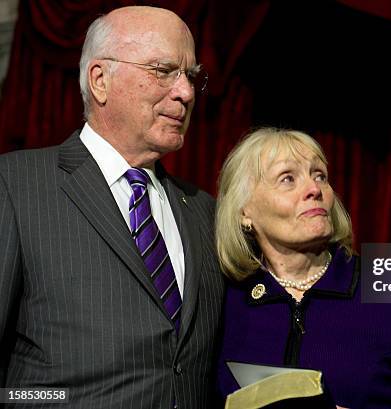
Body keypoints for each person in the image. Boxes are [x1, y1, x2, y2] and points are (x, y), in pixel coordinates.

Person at [0, 6, 224, 408]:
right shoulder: (15, 185)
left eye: (191, 76)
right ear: (100, 81)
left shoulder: (203, 211)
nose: (186, 92)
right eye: (163, 70)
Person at [214, 127, 391, 408]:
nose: (314, 190)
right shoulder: (226, 297)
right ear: (245, 211)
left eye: (320, 176)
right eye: (288, 179)